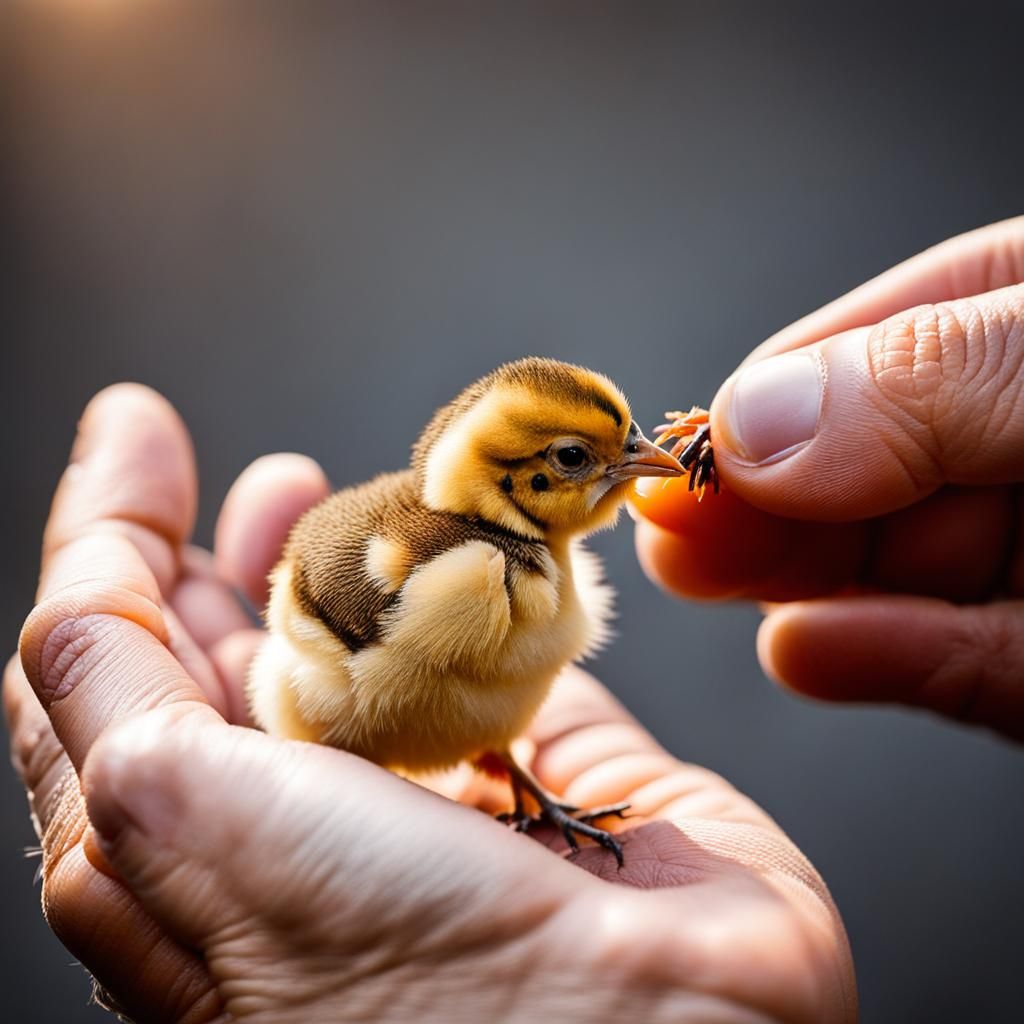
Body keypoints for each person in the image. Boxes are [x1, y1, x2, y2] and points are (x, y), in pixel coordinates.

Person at [6, 214, 1020, 1022]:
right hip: (330, 686)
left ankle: (518, 775)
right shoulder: (457, 577)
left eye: (619, 446)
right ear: (511, 478)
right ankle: (442, 773)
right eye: (583, 459)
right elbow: (317, 623)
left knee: (506, 698)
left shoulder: (539, 578)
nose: (636, 464)